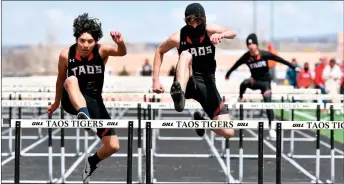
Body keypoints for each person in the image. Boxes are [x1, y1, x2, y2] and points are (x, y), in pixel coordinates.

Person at [46, 13, 127, 184]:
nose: (85, 45)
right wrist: (55, 103)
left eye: (90, 41)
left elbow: (121, 52)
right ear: (76, 39)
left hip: (94, 101)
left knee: (113, 146)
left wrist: (120, 42)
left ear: (96, 41)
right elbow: (61, 79)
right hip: (72, 100)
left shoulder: (102, 51)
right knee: (71, 79)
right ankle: (84, 117)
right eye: (82, 40)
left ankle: (92, 161)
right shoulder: (65, 55)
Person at [152, 3, 236, 138]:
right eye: (190, 21)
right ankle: (179, 92)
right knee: (185, 54)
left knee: (228, 132)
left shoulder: (210, 30)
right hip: (187, 78)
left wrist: (222, 35)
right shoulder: (178, 36)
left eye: (197, 21)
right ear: (186, 20)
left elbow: (233, 33)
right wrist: (155, 80)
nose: (194, 25)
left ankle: (202, 123)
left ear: (202, 19)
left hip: (207, 84)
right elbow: (159, 51)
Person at [224, 33, 300, 138]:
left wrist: (293, 67)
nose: (251, 47)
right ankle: (241, 98)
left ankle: (271, 128)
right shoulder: (246, 57)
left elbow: (279, 59)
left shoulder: (264, 54)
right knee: (244, 83)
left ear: (256, 45)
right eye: (248, 45)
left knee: (268, 103)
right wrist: (228, 74)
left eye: (253, 44)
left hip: (265, 83)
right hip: (254, 81)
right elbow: (236, 64)